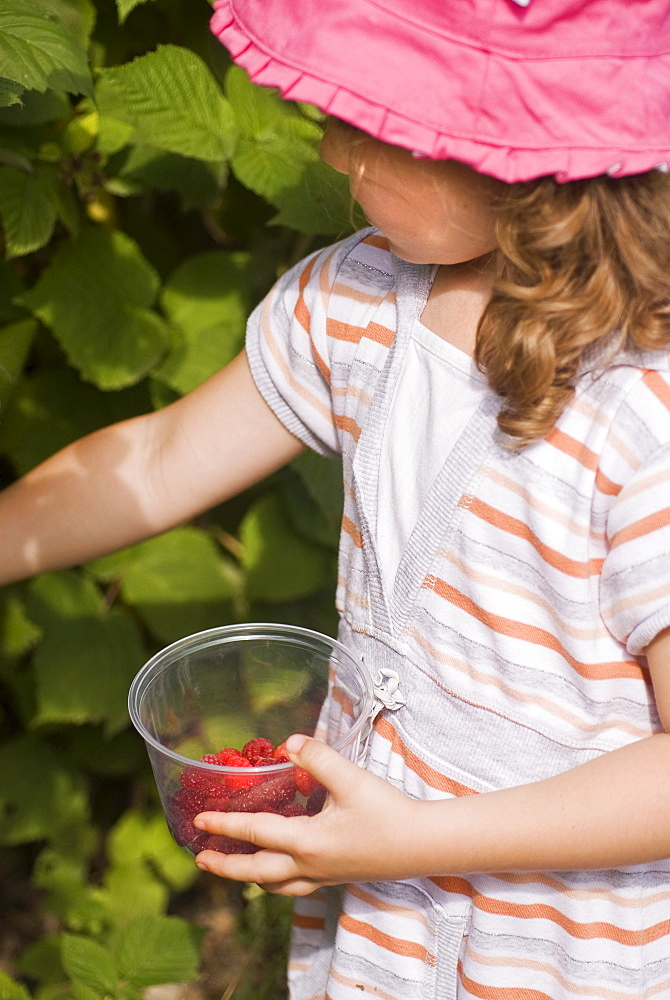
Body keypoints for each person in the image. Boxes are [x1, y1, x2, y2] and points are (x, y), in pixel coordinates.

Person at [3, 0, 670, 995]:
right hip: (387, 908)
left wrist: (412, 839)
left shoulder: (640, 415)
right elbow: (164, 451)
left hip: (569, 937)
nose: (330, 145)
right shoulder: (356, 303)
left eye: (376, 125)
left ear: (519, 163)